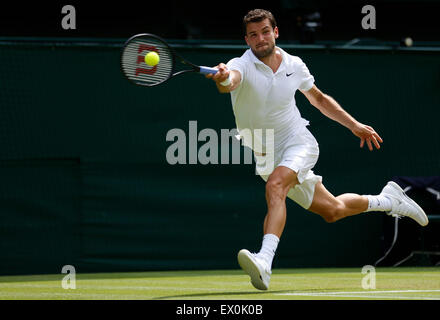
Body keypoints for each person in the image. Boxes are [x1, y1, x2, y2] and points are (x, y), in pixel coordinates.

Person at [206, 8, 429, 291]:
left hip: (298, 143)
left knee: (276, 186)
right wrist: (223, 77)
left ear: (275, 32)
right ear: (247, 40)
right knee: (333, 210)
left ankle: (264, 260)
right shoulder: (241, 64)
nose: (260, 38)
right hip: (267, 155)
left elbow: (320, 100)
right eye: (253, 35)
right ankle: (388, 200)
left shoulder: (294, 64)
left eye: (265, 32)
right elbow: (230, 81)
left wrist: (354, 125)